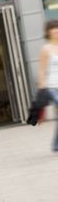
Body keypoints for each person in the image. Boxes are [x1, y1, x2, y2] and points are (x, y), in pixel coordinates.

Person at [37, 19, 58, 152]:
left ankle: (55, 144)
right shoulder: (46, 49)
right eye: (53, 28)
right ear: (48, 32)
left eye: (57, 28)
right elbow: (41, 70)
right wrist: (42, 89)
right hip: (52, 87)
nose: (55, 30)